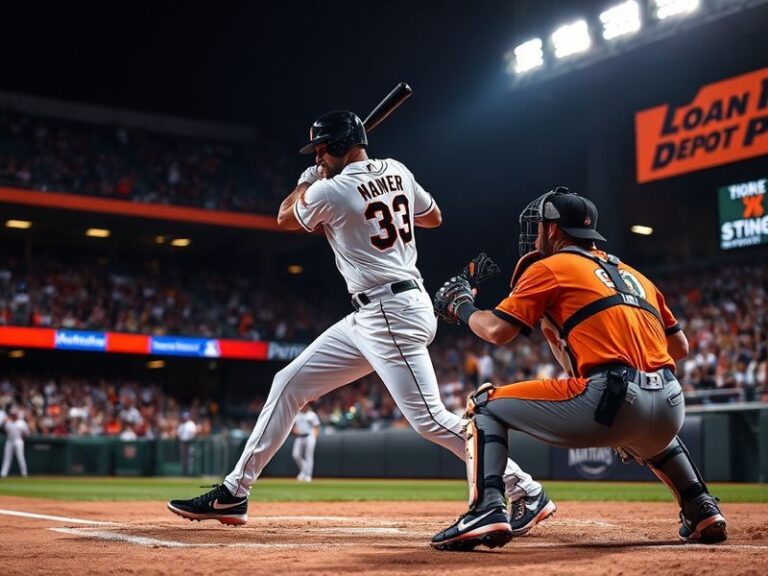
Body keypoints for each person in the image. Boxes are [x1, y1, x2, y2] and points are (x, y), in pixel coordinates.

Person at [167, 110, 545, 526]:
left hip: (390, 314)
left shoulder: (332, 189)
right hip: (375, 312)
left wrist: (306, 182)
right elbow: (433, 217)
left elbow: (284, 217)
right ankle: (235, 493)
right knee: (288, 383)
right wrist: (379, 200)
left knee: (431, 419)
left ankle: (525, 488)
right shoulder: (397, 169)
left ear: (336, 146)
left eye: (321, 150)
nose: (318, 157)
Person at [430, 187, 727, 551]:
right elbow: (679, 347)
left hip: (612, 399)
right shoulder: (635, 276)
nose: (535, 236)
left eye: (538, 227)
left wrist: (461, 307)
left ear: (553, 229)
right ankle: (701, 507)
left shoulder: (549, 267)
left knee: (484, 405)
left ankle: (487, 509)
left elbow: (496, 331)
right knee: (645, 420)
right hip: (670, 405)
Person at [292, 404, 320, 482]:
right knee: (295, 455)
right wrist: (294, 430)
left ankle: (308, 475)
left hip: (309, 436)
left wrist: (315, 435)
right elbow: (293, 425)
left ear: (307, 406)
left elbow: (316, 426)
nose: (303, 406)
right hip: (299, 437)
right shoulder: (297, 414)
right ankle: (304, 469)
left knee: (309, 456)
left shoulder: (312, 414)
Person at [1, 408, 30, 478]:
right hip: (9, 441)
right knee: (7, 458)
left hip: (18, 441)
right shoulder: (8, 422)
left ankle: (24, 474)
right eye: (12, 415)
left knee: (20, 457)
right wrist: (4, 424)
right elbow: (4, 430)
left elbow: (27, 433)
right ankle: (3, 473)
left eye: (14, 414)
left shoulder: (22, 423)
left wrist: (23, 435)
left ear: (17, 415)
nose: (13, 416)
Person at [177, 412, 198, 476]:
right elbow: (178, 433)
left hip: (190, 441)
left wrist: (191, 434)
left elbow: (194, 432)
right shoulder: (181, 425)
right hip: (183, 442)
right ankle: (184, 472)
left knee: (190, 457)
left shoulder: (191, 423)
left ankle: (190, 472)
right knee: (183, 458)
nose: (185, 418)